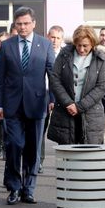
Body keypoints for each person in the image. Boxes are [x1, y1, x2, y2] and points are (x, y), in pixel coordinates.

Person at [0, 6, 55, 205]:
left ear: (34, 24)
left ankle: (29, 189)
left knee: (33, 149)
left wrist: (53, 99)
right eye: (19, 24)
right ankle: (14, 187)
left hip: (37, 104)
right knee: (14, 146)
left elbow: (52, 75)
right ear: (15, 25)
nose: (22, 27)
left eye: (26, 23)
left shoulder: (45, 45)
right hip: (12, 106)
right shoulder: (8, 45)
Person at [47, 25, 105, 145]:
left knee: (88, 154)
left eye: (85, 46)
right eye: (78, 45)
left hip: (90, 113)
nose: (81, 49)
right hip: (66, 110)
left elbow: (101, 87)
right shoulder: (64, 54)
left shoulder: (100, 59)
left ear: (92, 44)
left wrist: (79, 107)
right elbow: (54, 79)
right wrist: (68, 103)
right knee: (67, 153)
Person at [38, 25, 64, 174]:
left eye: (58, 38)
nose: (54, 41)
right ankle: (39, 160)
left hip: (61, 97)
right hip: (43, 94)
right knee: (40, 129)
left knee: (62, 131)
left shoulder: (65, 54)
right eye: (52, 37)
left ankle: (62, 163)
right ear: (47, 37)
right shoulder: (41, 51)